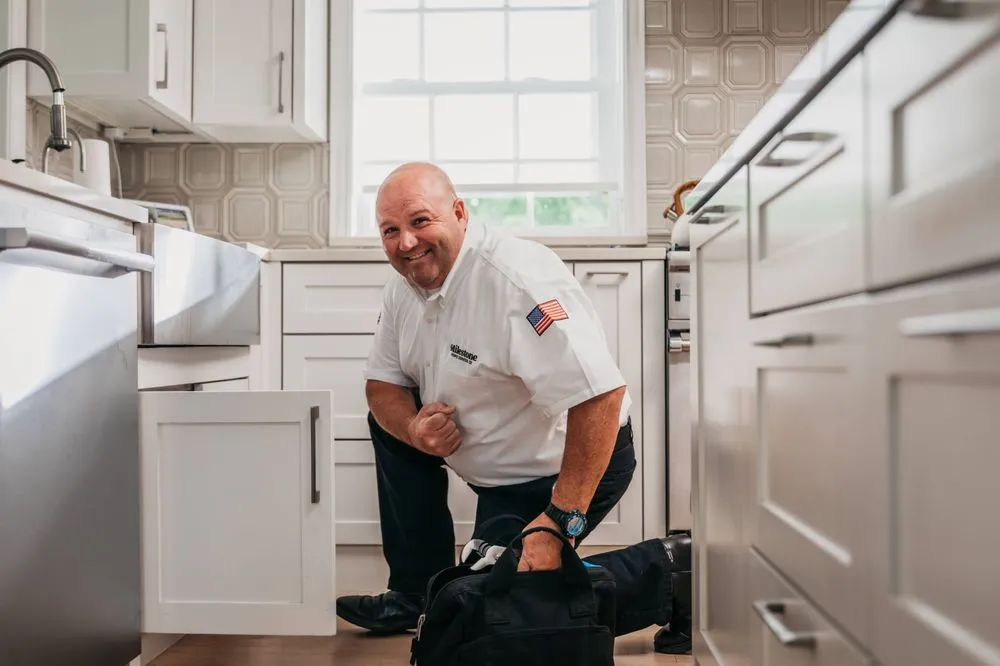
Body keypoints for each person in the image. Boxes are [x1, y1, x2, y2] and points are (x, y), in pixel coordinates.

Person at [335, 162, 687, 650]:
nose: (406, 243)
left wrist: (560, 522)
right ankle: (415, 591)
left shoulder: (519, 282)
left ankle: (677, 572)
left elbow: (600, 395)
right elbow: (382, 385)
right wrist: (416, 431)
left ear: (458, 212)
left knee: (484, 609)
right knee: (392, 422)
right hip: (498, 479)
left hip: (561, 472)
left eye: (420, 221)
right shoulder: (406, 286)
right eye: (390, 231)